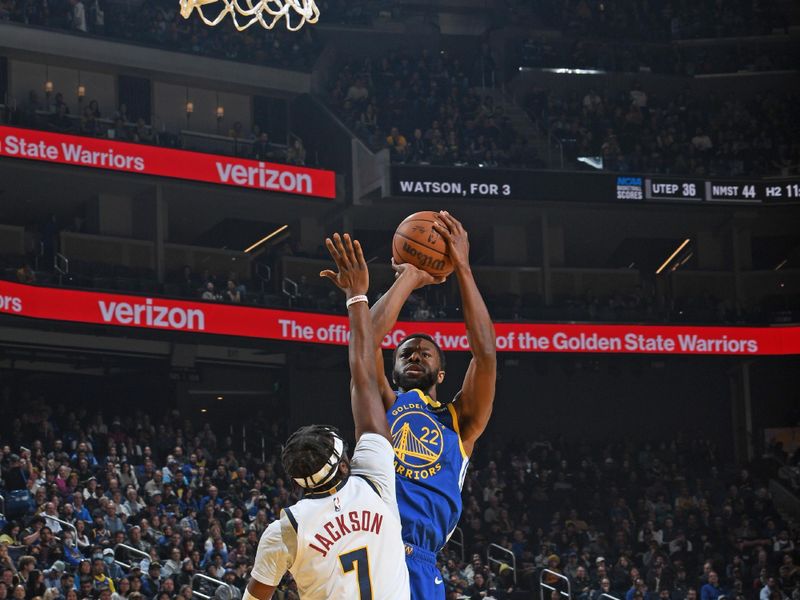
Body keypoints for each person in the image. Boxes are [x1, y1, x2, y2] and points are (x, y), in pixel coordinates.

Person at [246, 233, 409, 599]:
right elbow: (364, 379)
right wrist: (357, 297)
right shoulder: (374, 482)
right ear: (346, 462)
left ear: (297, 482)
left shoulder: (286, 528)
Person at [368, 210, 497, 600]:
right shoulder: (385, 403)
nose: (414, 355)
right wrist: (409, 278)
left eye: (425, 353)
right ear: (393, 372)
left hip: (420, 560)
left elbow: (486, 355)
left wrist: (463, 269)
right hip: (372, 544)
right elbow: (365, 343)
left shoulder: (461, 421)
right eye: (406, 352)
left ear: (442, 374)